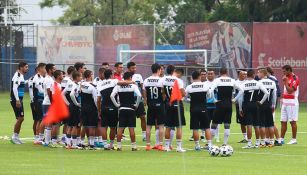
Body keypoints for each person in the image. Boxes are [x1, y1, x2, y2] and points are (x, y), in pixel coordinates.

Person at [209, 68, 242, 146]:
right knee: (227, 124)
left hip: (220, 104)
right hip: (228, 104)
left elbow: (211, 90)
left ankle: (209, 144)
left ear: (220, 73)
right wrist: (234, 99)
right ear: (227, 72)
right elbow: (242, 90)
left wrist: (214, 99)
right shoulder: (232, 80)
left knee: (214, 124)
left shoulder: (217, 80)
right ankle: (225, 143)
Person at [110, 72, 142, 151]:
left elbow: (111, 96)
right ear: (130, 77)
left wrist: (117, 105)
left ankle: (119, 146)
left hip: (122, 108)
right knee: (131, 128)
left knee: (120, 128)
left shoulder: (119, 86)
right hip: (131, 108)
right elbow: (139, 95)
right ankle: (133, 146)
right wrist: (136, 105)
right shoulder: (133, 85)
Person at [238, 69, 269, 149]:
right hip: (256, 105)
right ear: (253, 75)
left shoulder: (243, 84)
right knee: (256, 125)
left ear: (247, 75)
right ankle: (257, 143)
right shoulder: (258, 83)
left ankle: (249, 143)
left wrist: (240, 108)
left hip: (247, 105)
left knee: (249, 125)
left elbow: (240, 98)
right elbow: (267, 93)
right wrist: (261, 102)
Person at [185, 70, 212, 151]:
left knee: (195, 128)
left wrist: (190, 100)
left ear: (192, 78)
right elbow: (210, 95)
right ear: (200, 76)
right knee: (206, 127)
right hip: (203, 108)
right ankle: (209, 145)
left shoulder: (189, 87)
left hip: (193, 109)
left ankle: (197, 145)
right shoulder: (205, 86)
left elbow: (185, 97)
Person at [161, 66, 186, 152]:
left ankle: (167, 147)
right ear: (175, 71)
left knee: (168, 126)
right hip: (177, 104)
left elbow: (162, 91)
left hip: (168, 104)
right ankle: (179, 147)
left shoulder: (164, 79)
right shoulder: (178, 80)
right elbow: (183, 93)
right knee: (179, 127)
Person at [143, 64, 165, 151]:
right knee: (161, 126)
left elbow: (144, 91)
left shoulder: (146, 80)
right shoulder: (161, 80)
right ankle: (160, 145)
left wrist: (145, 100)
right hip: (159, 104)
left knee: (149, 126)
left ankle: (148, 145)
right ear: (159, 70)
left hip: (151, 105)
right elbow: (163, 93)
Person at [97, 69, 119, 150]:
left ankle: (105, 145)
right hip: (113, 107)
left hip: (104, 107)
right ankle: (111, 144)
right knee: (113, 127)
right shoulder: (114, 81)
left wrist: (99, 110)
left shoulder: (100, 85)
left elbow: (98, 100)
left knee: (104, 127)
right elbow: (122, 83)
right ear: (111, 75)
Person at [127, 62, 147, 141]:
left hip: (138, 99)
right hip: (129, 100)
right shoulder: (124, 76)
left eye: (135, 68)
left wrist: (145, 99)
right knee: (129, 118)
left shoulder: (138, 76)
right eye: (132, 68)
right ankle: (123, 135)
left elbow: (142, 88)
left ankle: (144, 135)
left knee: (143, 117)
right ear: (128, 68)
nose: (134, 69)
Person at [280, 65, 299, 145]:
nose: (283, 73)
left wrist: (285, 82)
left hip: (292, 103)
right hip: (285, 102)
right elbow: (285, 91)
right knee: (283, 121)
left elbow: (290, 91)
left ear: (289, 70)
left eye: (284, 71)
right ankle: (281, 139)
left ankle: (294, 139)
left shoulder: (295, 78)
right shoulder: (286, 77)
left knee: (292, 121)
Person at [10, 61, 29, 144]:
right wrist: (17, 100)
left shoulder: (21, 76)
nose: (27, 68)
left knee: (20, 118)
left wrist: (28, 80)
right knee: (21, 118)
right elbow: (14, 88)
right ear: (21, 67)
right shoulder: (17, 75)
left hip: (19, 100)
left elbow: (21, 84)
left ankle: (16, 137)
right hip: (16, 100)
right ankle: (14, 137)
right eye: (26, 67)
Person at [257, 68, 277, 148]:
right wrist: (273, 105)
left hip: (261, 105)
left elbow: (257, 94)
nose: (258, 74)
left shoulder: (259, 82)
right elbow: (274, 96)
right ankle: (271, 142)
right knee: (270, 124)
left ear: (263, 74)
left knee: (262, 124)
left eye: (259, 73)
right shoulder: (272, 82)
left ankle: (263, 142)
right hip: (269, 105)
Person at [80, 70, 98, 149]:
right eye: (92, 74)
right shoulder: (92, 87)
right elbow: (95, 99)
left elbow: (76, 93)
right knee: (92, 126)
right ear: (89, 76)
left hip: (83, 107)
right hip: (91, 108)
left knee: (84, 126)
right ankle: (91, 144)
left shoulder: (81, 84)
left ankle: (82, 142)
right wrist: (98, 109)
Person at [41, 63, 56, 146]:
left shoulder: (50, 78)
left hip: (48, 102)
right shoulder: (48, 79)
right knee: (49, 122)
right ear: (50, 70)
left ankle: (47, 140)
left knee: (50, 122)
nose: (55, 70)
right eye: (54, 69)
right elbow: (48, 91)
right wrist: (52, 102)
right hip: (48, 103)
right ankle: (46, 141)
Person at [66, 71, 82, 149]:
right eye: (80, 76)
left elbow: (62, 94)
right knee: (75, 125)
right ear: (77, 77)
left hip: (70, 106)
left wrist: (68, 103)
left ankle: (68, 144)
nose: (81, 78)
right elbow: (72, 94)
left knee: (70, 125)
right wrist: (76, 103)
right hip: (75, 107)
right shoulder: (75, 85)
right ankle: (74, 144)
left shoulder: (69, 84)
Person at [266, 66, 282, 146]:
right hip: (272, 103)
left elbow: (276, 93)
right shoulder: (274, 79)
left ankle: (278, 140)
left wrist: (273, 104)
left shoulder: (271, 79)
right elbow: (278, 93)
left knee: (271, 122)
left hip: (271, 103)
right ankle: (268, 139)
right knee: (269, 122)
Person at [60, 66, 76, 144]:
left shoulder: (65, 80)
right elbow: (64, 92)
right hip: (68, 103)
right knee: (68, 122)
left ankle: (65, 137)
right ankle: (65, 137)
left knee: (67, 122)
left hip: (66, 102)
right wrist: (68, 103)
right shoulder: (68, 80)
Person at [33, 63, 46, 144]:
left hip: (41, 100)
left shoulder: (42, 77)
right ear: (40, 68)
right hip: (38, 100)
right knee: (40, 119)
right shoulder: (37, 78)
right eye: (44, 68)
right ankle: (38, 138)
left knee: (40, 119)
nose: (45, 70)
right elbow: (40, 90)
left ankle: (38, 137)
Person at [235, 70, 248, 143]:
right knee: (242, 122)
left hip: (247, 104)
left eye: (245, 74)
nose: (245, 76)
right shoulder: (235, 83)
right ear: (239, 75)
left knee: (249, 121)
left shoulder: (247, 83)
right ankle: (245, 137)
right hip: (239, 104)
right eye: (243, 74)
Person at [27, 67, 38, 142]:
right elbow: (31, 92)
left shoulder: (42, 78)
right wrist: (33, 101)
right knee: (37, 120)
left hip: (40, 102)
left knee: (41, 119)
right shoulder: (32, 79)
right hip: (35, 102)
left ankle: (39, 135)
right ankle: (36, 136)